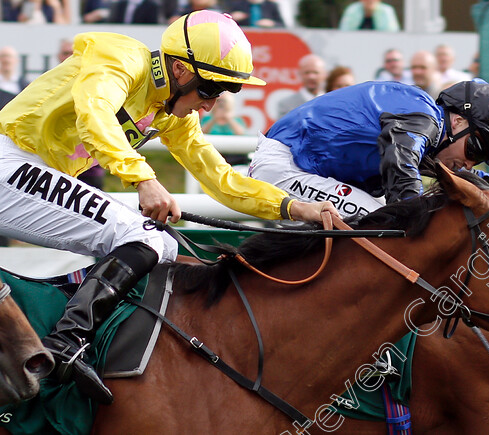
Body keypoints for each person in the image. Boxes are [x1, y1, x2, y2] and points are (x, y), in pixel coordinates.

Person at [0, 10, 338, 405]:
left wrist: (295, 208)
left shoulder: (172, 115)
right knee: (140, 235)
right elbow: (95, 112)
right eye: (210, 88)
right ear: (180, 70)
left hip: (27, 173)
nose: (211, 105)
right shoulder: (121, 56)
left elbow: (220, 178)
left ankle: (58, 329)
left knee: (163, 246)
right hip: (10, 160)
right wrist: (143, 179)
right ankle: (64, 347)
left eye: (223, 93)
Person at [249, 79, 489, 218]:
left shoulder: (429, 137)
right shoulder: (424, 115)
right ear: (458, 120)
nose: (471, 163)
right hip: (285, 165)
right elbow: (400, 165)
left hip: (300, 169)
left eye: (483, 158)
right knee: (381, 221)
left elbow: (472, 182)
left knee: (383, 216)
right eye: (474, 150)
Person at [276, 53, 325, 119]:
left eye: (315, 72)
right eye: (307, 72)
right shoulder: (286, 105)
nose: (311, 77)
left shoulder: (331, 102)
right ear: (299, 74)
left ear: (324, 74)